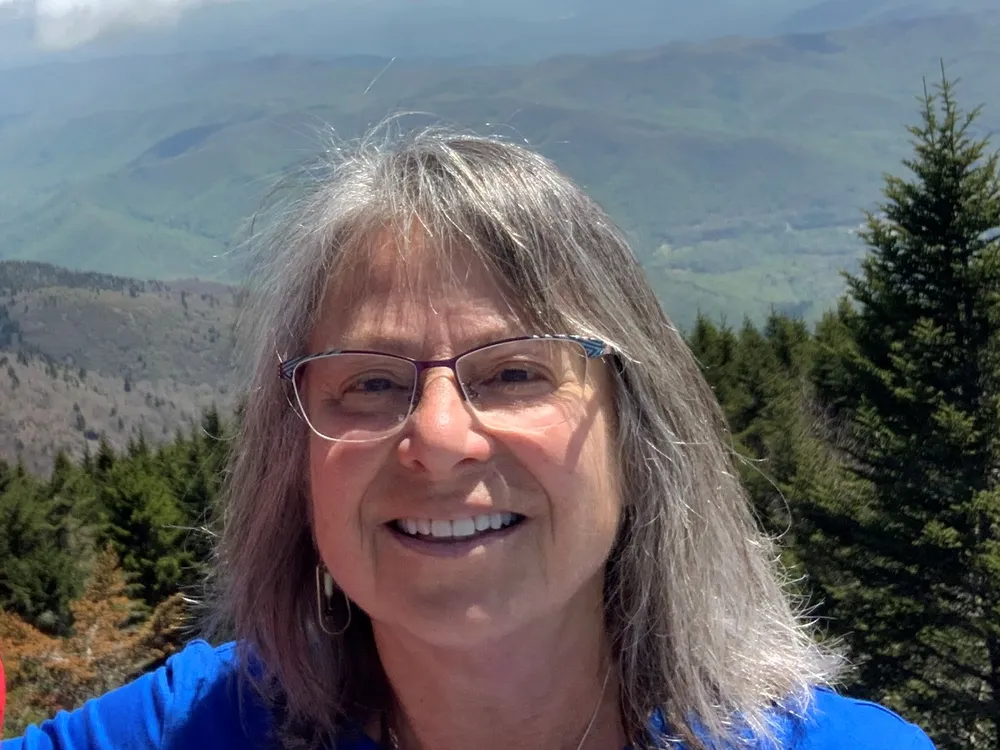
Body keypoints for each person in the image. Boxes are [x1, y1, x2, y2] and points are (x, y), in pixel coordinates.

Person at [2, 127, 936, 750]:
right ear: (294, 465)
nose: (440, 440)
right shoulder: (203, 725)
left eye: (516, 371)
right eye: (368, 382)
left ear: (636, 431)